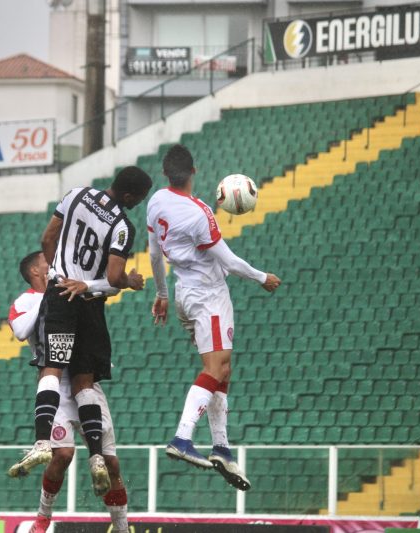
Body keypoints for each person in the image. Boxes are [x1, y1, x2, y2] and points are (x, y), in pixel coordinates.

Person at [8, 166, 152, 497]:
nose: (137, 203)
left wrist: (59, 272)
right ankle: (97, 458)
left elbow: (47, 238)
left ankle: (42, 441)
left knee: (51, 368)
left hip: (60, 294)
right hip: (90, 305)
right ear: (130, 196)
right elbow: (115, 277)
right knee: (84, 382)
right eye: (139, 198)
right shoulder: (122, 227)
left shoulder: (77, 194)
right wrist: (125, 281)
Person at [146, 144, 281, 491]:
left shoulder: (156, 201)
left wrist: (161, 293)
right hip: (209, 297)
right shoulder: (200, 213)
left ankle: (221, 447)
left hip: (182, 295)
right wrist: (261, 277)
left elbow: (154, 253)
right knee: (215, 369)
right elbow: (230, 261)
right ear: (195, 171)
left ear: (165, 173)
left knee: (223, 369)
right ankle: (182, 437)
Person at [9, 252, 129, 533]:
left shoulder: (75, 284)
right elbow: (20, 330)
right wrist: (52, 298)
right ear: (37, 272)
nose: (53, 262)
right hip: (56, 387)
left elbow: (106, 288)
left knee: (110, 463)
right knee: (62, 454)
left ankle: (122, 527)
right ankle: (43, 516)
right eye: (46, 261)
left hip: (86, 382)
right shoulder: (24, 301)